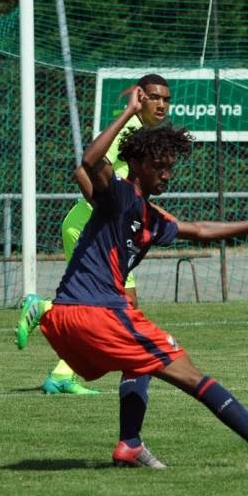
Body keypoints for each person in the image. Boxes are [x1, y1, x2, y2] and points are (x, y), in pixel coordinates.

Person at [19, 87, 248, 469]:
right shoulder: (117, 195)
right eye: (160, 166)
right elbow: (90, 160)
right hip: (99, 315)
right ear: (137, 164)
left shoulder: (151, 217)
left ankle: (130, 445)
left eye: (171, 167)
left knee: (139, 364)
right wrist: (129, 112)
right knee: (192, 376)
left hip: (67, 319)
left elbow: (201, 230)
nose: (167, 174)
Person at [17, 73, 172, 395]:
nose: (161, 104)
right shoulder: (127, 131)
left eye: (166, 99)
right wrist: (109, 213)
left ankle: (63, 374)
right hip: (91, 227)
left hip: (103, 230)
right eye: (155, 97)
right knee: (119, 305)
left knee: (113, 306)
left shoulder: (140, 133)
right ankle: (43, 308)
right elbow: (82, 169)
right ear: (140, 97)